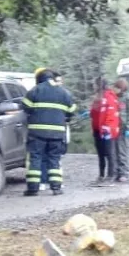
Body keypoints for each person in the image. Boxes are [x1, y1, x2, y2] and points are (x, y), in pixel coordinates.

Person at [22, 67, 76, 196]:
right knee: (54, 159)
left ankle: (33, 188)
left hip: (37, 133)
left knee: (36, 158)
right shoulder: (64, 93)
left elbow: (25, 107)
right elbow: (72, 110)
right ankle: (56, 188)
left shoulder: (34, 91)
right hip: (57, 133)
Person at [89, 77, 120, 184]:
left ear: (99, 85)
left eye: (95, 84)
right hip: (97, 130)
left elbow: (110, 115)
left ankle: (111, 175)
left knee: (109, 153)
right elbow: (94, 114)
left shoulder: (109, 97)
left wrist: (107, 128)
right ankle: (101, 175)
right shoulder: (97, 98)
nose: (93, 86)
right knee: (101, 153)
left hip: (107, 130)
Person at [113, 78, 129, 182]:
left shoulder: (128, 98)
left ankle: (124, 173)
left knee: (123, 151)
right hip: (115, 127)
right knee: (115, 151)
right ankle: (116, 172)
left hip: (124, 127)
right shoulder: (114, 98)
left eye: (117, 87)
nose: (115, 89)